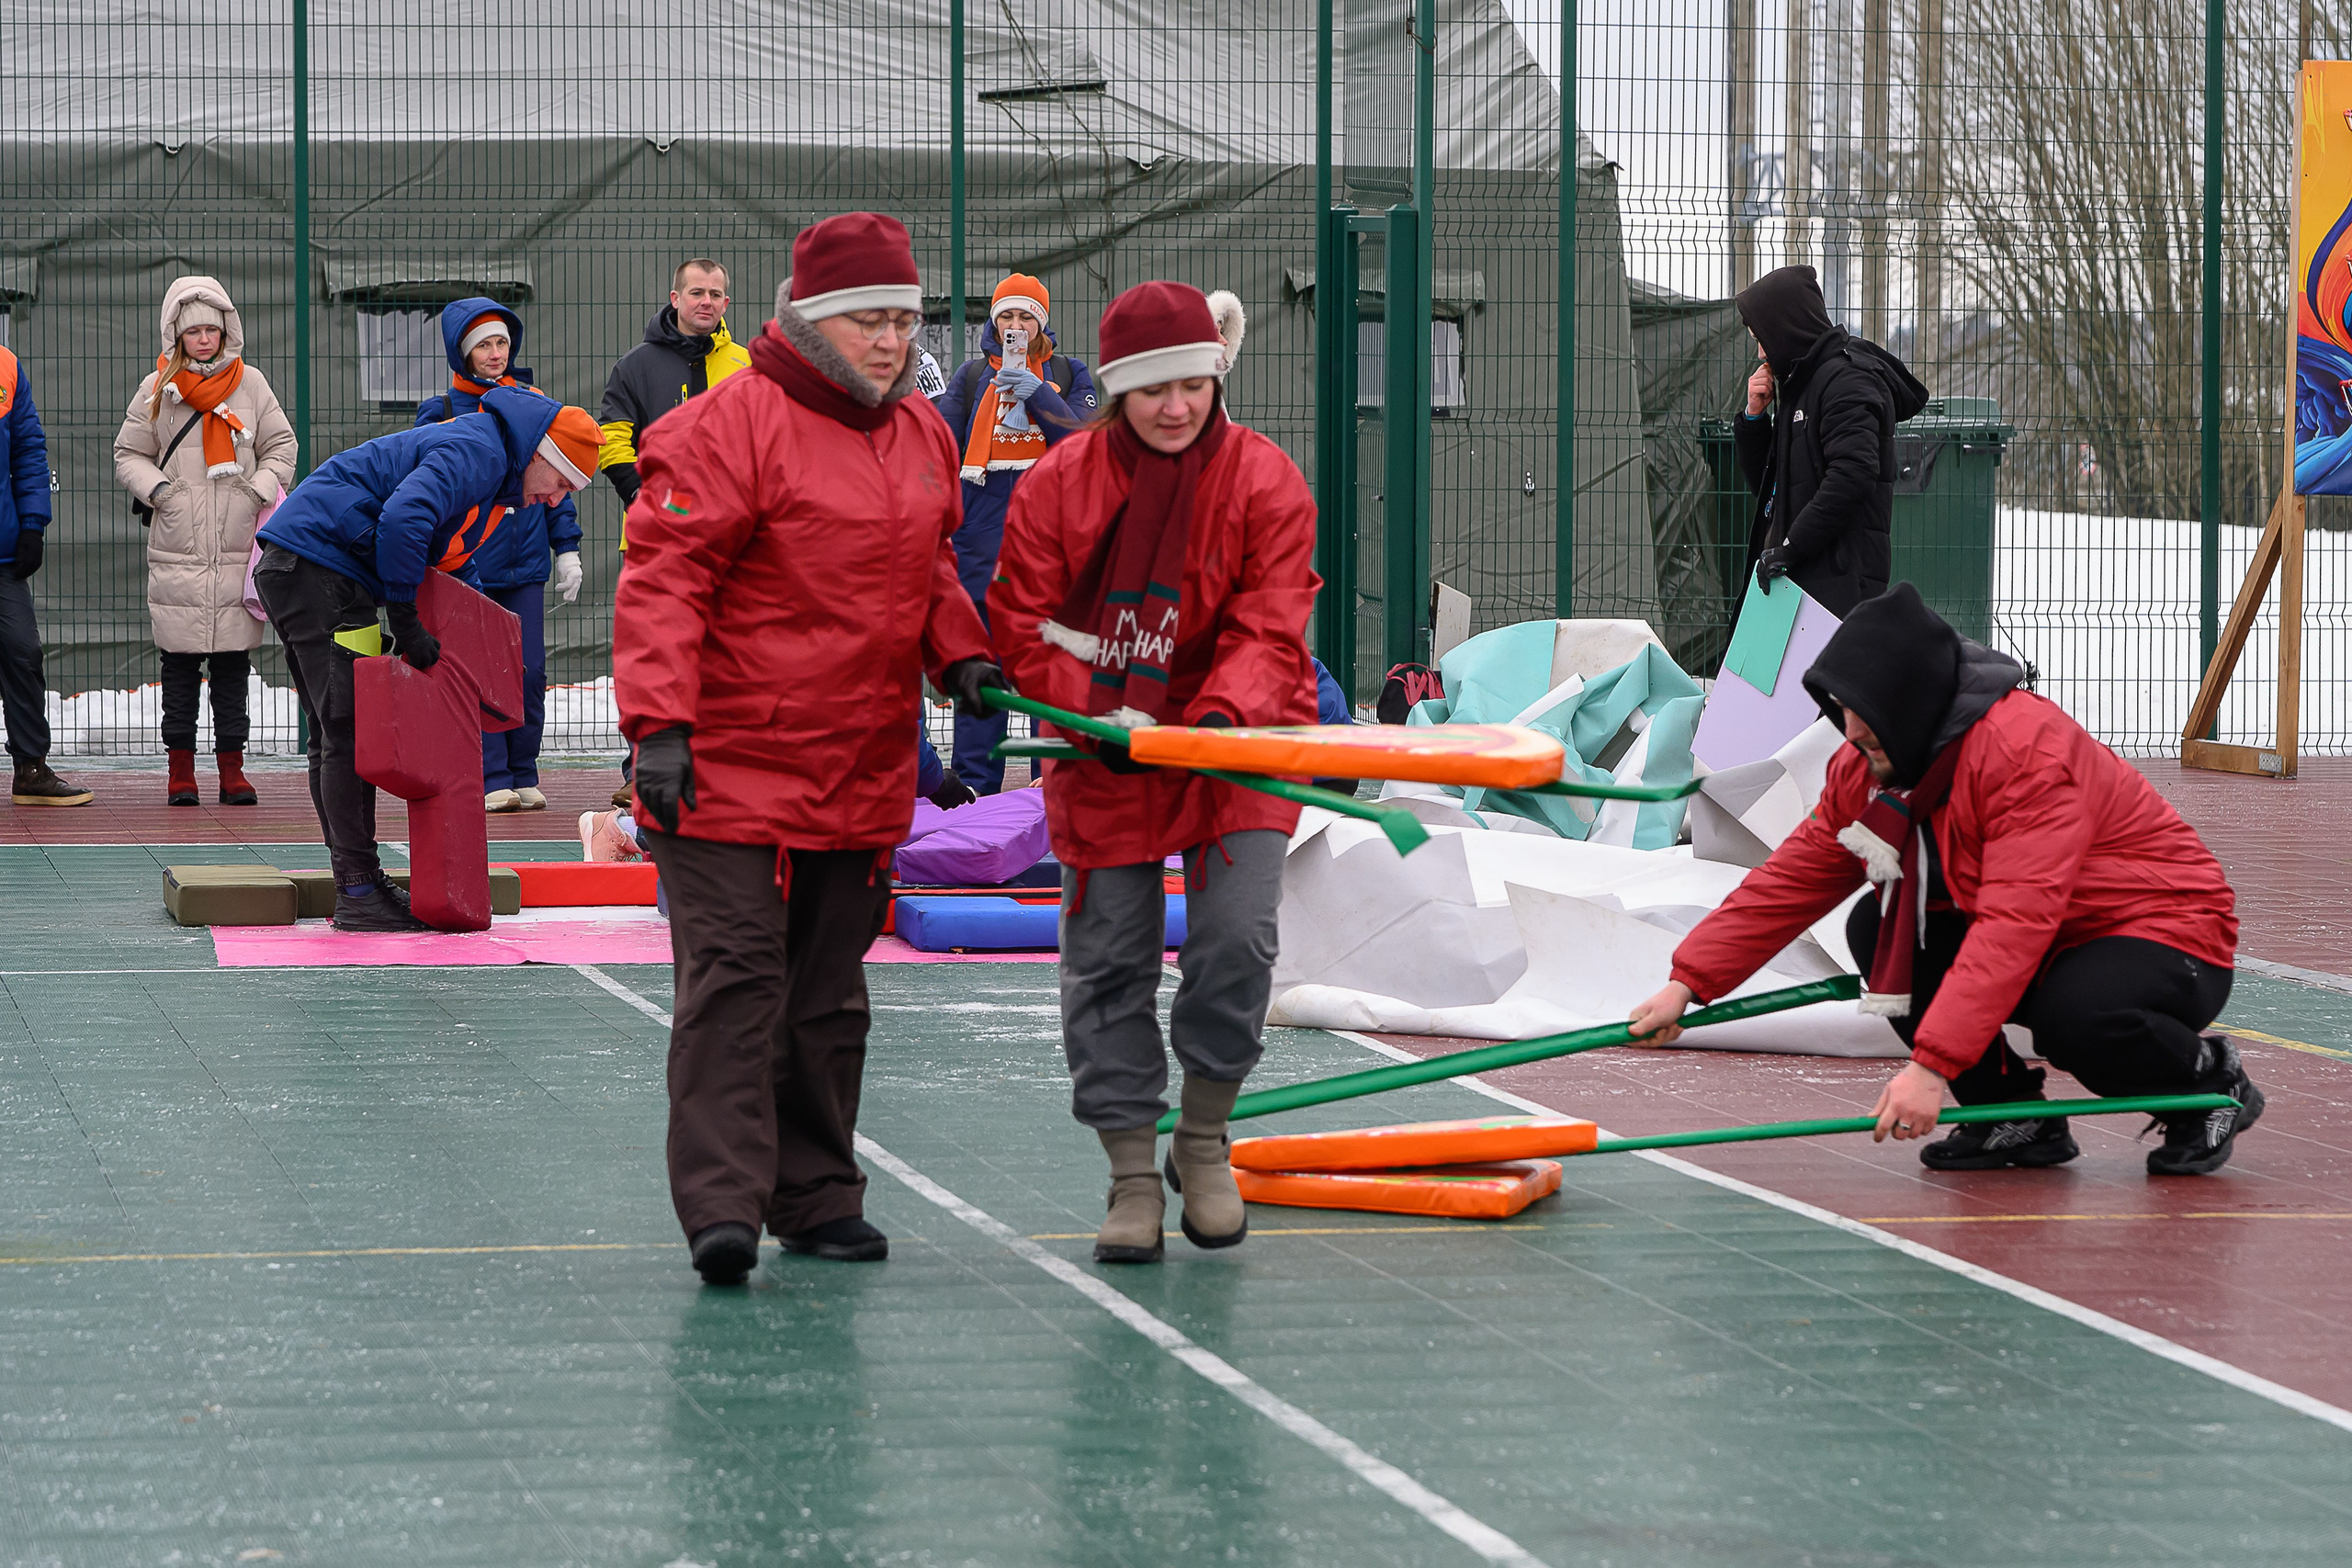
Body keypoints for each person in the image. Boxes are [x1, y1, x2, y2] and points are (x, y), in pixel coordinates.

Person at [612, 212, 998, 1285]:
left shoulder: (920, 432)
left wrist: (959, 658)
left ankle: (818, 1194)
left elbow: (927, 570)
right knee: (737, 978)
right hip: (725, 757)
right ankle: (723, 1205)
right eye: (869, 319)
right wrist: (660, 730)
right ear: (813, 320)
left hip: (857, 757)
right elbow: (664, 579)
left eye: (905, 320)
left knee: (828, 992)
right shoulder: (728, 425)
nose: (889, 339)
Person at [1628, 584, 2263, 1177]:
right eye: (1841, 710)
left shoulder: (2024, 755)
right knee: (1876, 929)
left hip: (2166, 928)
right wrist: (1690, 980)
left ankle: (2209, 1085)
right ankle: (2012, 1115)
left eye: (1862, 711)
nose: (1849, 731)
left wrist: (1930, 1067)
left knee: (2077, 1017)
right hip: (2058, 935)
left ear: (1911, 699)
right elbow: (1797, 876)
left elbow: (2015, 924)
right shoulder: (1874, 761)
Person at [991, 280, 1317, 1264]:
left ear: (1217, 377)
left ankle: (1205, 1138)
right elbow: (1024, 620)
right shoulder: (1058, 483)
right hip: (1102, 743)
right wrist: (1091, 717)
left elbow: (1271, 620)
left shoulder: (1265, 478)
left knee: (1237, 943)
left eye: (1193, 385)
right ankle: (1133, 1173)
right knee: (1108, 960)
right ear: (1116, 392)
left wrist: (1213, 719)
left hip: (1235, 740)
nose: (1175, 408)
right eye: (1151, 390)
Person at [255, 385, 600, 931]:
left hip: (312, 569)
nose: (556, 500)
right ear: (539, 455)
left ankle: (358, 882)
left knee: (336, 732)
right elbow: (404, 518)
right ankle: (359, 889)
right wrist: (405, 619)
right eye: (560, 483)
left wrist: (482, 644)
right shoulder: (481, 452)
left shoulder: (495, 479)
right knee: (346, 731)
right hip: (317, 572)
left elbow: (454, 566)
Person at [115, 276, 295, 807]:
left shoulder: (253, 384)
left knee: (234, 667)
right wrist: (162, 492)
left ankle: (232, 771)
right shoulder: (157, 390)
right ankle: (180, 772)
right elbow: (129, 453)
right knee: (178, 666)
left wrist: (257, 488)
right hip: (179, 543)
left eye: (211, 330)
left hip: (239, 544)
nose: (203, 340)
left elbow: (281, 444)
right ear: (175, 333)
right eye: (192, 331)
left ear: (226, 331)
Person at [415, 297, 583, 813]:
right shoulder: (440, 411)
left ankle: (524, 770)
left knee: (529, 670)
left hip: (526, 565)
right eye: (484, 345)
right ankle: (490, 775)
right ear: (462, 353)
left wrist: (567, 549)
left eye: (502, 343)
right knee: (477, 672)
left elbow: (554, 484)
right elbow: (426, 486)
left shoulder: (534, 403)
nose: (495, 354)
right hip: (468, 569)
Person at [935, 274, 1098, 795]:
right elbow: (940, 446)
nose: (1015, 327)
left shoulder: (1071, 376)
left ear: (1042, 324)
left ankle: (1050, 787)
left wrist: (1041, 398)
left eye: (1026, 317)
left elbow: (1088, 446)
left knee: (1051, 673)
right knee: (982, 673)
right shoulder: (969, 376)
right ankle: (973, 792)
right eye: (1006, 316)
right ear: (993, 323)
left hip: (1052, 549)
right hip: (981, 548)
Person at [599, 257, 752, 807]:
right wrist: (642, 499)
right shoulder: (636, 366)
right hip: (652, 539)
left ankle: (716, 766)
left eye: (716, 293)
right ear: (675, 297)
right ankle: (640, 769)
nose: (706, 302)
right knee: (653, 655)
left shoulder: (746, 366)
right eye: (696, 293)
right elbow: (612, 438)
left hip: (729, 540)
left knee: (725, 654)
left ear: (727, 303)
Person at [1733, 265, 1928, 616]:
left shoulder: (1847, 380)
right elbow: (1772, 490)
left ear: (1785, 325)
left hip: (1836, 593)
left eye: (1762, 338)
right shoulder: (1801, 383)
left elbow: (1853, 474)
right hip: (1797, 585)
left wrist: (1791, 547)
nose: (1761, 353)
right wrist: (1754, 418)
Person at [0, 344, 90, 807]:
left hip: (3, 558)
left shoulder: (7, 366)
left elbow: (30, 452)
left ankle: (30, 768)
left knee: (23, 653)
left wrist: (33, 524)